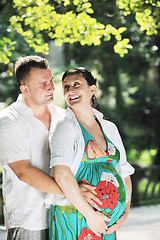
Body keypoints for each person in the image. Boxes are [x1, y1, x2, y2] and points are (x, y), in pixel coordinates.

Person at [0, 57, 101, 240]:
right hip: (31, 220)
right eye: (43, 84)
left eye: (51, 81)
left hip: (67, 214)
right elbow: (23, 171)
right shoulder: (8, 121)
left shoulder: (63, 117)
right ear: (25, 89)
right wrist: (74, 192)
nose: (52, 88)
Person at [47, 67, 135, 240]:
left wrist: (124, 211)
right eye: (66, 87)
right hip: (76, 215)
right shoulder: (64, 126)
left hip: (106, 222)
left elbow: (124, 172)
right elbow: (62, 175)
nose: (70, 90)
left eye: (76, 84)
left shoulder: (110, 128)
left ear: (92, 89)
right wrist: (90, 215)